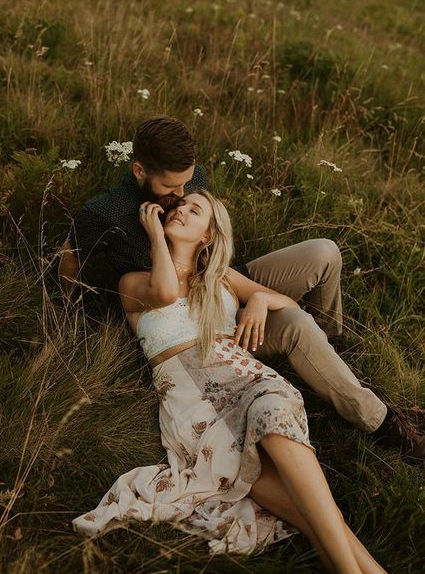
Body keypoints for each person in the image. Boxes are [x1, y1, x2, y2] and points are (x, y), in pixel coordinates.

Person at [72, 190, 424, 574]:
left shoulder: (221, 280)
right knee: (315, 513)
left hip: (246, 381)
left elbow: (289, 304)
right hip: (194, 408)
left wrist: (257, 298)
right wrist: (154, 235)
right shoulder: (136, 282)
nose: (180, 210)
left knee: (272, 415)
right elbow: (165, 291)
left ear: (209, 235)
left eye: (194, 210)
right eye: (178, 207)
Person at [59, 116, 425, 463]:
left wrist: (260, 297)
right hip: (181, 318)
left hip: (220, 281)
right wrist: (72, 312)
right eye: (172, 188)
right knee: (295, 322)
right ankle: (381, 422)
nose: (183, 194)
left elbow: (208, 230)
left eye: (188, 184)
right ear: (140, 171)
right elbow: (71, 260)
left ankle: (326, 344)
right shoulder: (105, 213)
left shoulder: (189, 179)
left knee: (324, 252)